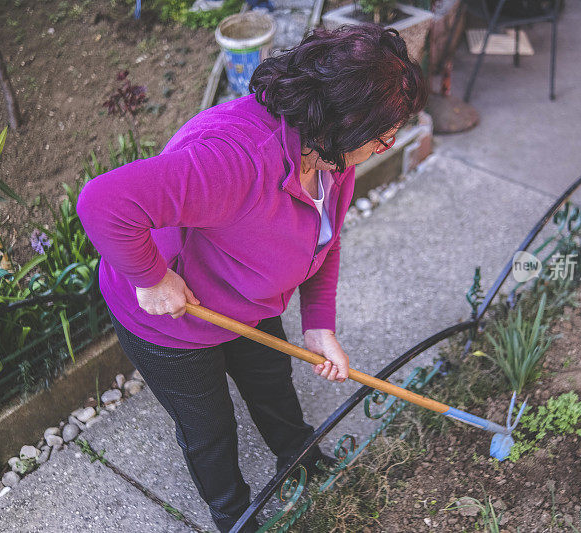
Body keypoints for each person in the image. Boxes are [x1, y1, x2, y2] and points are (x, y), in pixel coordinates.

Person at [76, 23, 427, 532]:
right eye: (382, 134)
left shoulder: (332, 157)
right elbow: (104, 202)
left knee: (273, 383)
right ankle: (234, 516)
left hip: (245, 299)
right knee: (210, 429)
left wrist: (319, 325)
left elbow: (323, 241)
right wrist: (151, 278)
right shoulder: (234, 160)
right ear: (343, 121)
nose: (387, 144)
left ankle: (299, 458)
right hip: (174, 314)